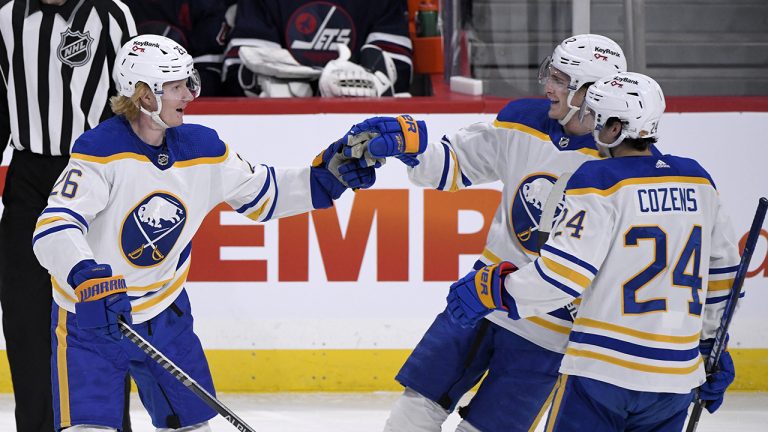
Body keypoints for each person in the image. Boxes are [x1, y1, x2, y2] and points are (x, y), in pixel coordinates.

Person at [30, 34, 425, 431]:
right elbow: (54, 226)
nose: (189, 93)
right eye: (175, 86)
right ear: (144, 95)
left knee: (194, 427)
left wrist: (325, 180)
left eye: (189, 82)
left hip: (164, 313)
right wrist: (84, 276)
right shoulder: (99, 152)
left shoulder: (202, 147)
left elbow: (264, 194)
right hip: (92, 318)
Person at [447, 72, 740, 431]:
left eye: (595, 116)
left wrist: (495, 290)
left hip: (602, 370)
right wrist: (713, 344)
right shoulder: (698, 180)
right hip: (676, 377)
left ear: (615, 128)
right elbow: (724, 276)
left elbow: (561, 276)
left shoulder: (599, 180)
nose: (587, 123)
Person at [369, 34, 628, 432]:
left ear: (591, 92)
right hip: (480, 300)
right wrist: (414, 148)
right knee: (414, 410)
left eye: (560, 80)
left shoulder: (619, 164)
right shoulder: (523, 120)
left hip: (550, 327)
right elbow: (453, 163)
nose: (548, 87)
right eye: (551, 75)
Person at [0, 1, 136, 431]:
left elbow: (133, 105)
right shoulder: (5, 15)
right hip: (29, 182)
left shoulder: (114, 16)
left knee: (101, 316)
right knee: (25, 321)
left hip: (95, 179)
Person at [222, 0, 413, 97]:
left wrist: (370, 83)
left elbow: (397, 67)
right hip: (282, 129)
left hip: (361, 126)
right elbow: (241, 70)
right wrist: (261, 82)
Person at [121, 0, 238, 96]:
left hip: (186, 96)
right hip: (127, 90)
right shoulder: (116, 6)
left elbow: (207, 72)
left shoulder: (201, 6)